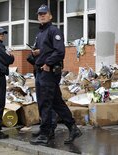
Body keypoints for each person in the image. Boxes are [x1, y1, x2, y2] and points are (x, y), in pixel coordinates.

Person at [29, 4, 82, 146]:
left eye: (44, 14)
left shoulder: (54, 31)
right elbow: (46, 50)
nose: (41, 16)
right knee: (55, 102)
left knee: (45, 103)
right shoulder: (40, 33)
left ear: (50, 16)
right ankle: (71, 128)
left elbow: (59, 52)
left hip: (49, 72)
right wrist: (36, 53)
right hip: (41, 72)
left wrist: (48, 63)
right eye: (39, 14)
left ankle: (45, 133)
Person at [26, 45, 58, 139]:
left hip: (48, 75)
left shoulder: (51, 47)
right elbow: (30, 58)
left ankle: (50, 128)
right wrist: (34, 53)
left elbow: (56, 56)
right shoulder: (39, 43)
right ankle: (43, 127)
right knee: (42, 103)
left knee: (48, 102)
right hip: (39, 75)